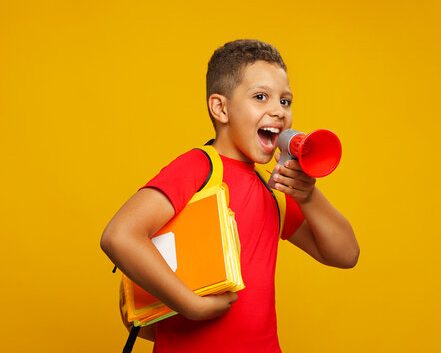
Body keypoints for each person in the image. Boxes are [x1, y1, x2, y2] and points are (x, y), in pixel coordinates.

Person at [100, 39, 360, 352]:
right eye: (261, 97)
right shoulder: (199, 167)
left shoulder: (273, 189)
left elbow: (346, 255)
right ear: (221, 108)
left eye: (286, 101)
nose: (278, 111)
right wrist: (190, 305)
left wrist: (308, 196)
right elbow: (119, 235)